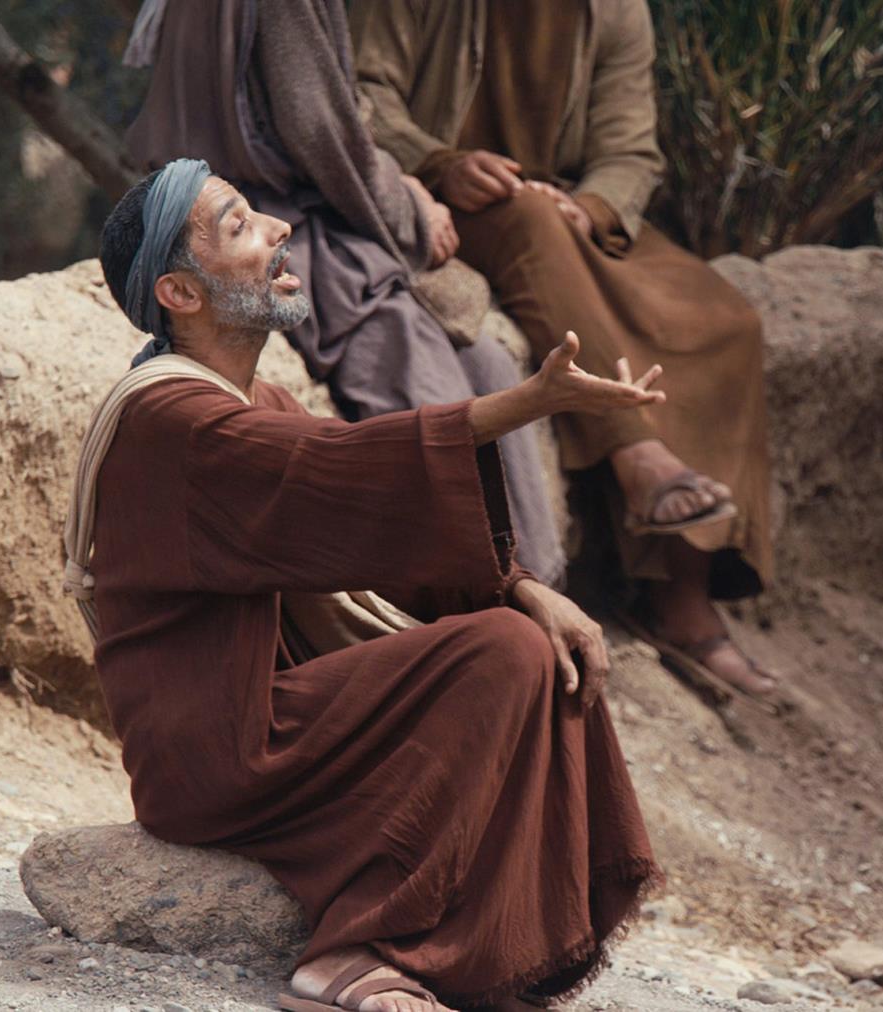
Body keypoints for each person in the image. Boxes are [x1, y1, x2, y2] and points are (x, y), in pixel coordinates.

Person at [73, 159, 665, 1011]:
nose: (278, 229)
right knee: (500, 653)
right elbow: (342, 471)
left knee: (535, 642)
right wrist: (526, 402)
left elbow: (375, 540)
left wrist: (526, 590)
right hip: (216, 753)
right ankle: (356, 950)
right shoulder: (168, 418)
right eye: (239, 225)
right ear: (181, 293)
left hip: (276, 724)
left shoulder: (261, 401)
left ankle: (491, 955)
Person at [352, 0, 781, 701]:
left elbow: (629, 148)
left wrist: (594, 207)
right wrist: (441, 163)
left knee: (727, 322)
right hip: (442, 203)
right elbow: (366, 94)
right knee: (531, 220)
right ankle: (638, 457)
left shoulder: (616, 10)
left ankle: (682, 594)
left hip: (565, 213)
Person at [121, 0, 566, 586]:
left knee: (487, 360)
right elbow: (323, 135)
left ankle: (541, 584)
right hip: (277, 218)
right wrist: (411, 211)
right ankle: (496, 588)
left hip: (291, 211)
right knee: (414, 362)